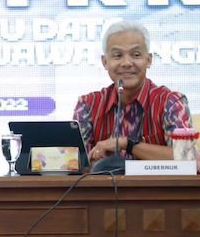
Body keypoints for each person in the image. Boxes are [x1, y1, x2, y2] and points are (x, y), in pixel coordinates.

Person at [73, 21, 192, 165]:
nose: (126, 63)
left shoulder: (171, 102)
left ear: (149, 60)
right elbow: (76, 163)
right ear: (105, 62)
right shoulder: (88, 105)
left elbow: (186, 157)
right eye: (117, 55)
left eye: (136, 55)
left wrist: (127, 144)